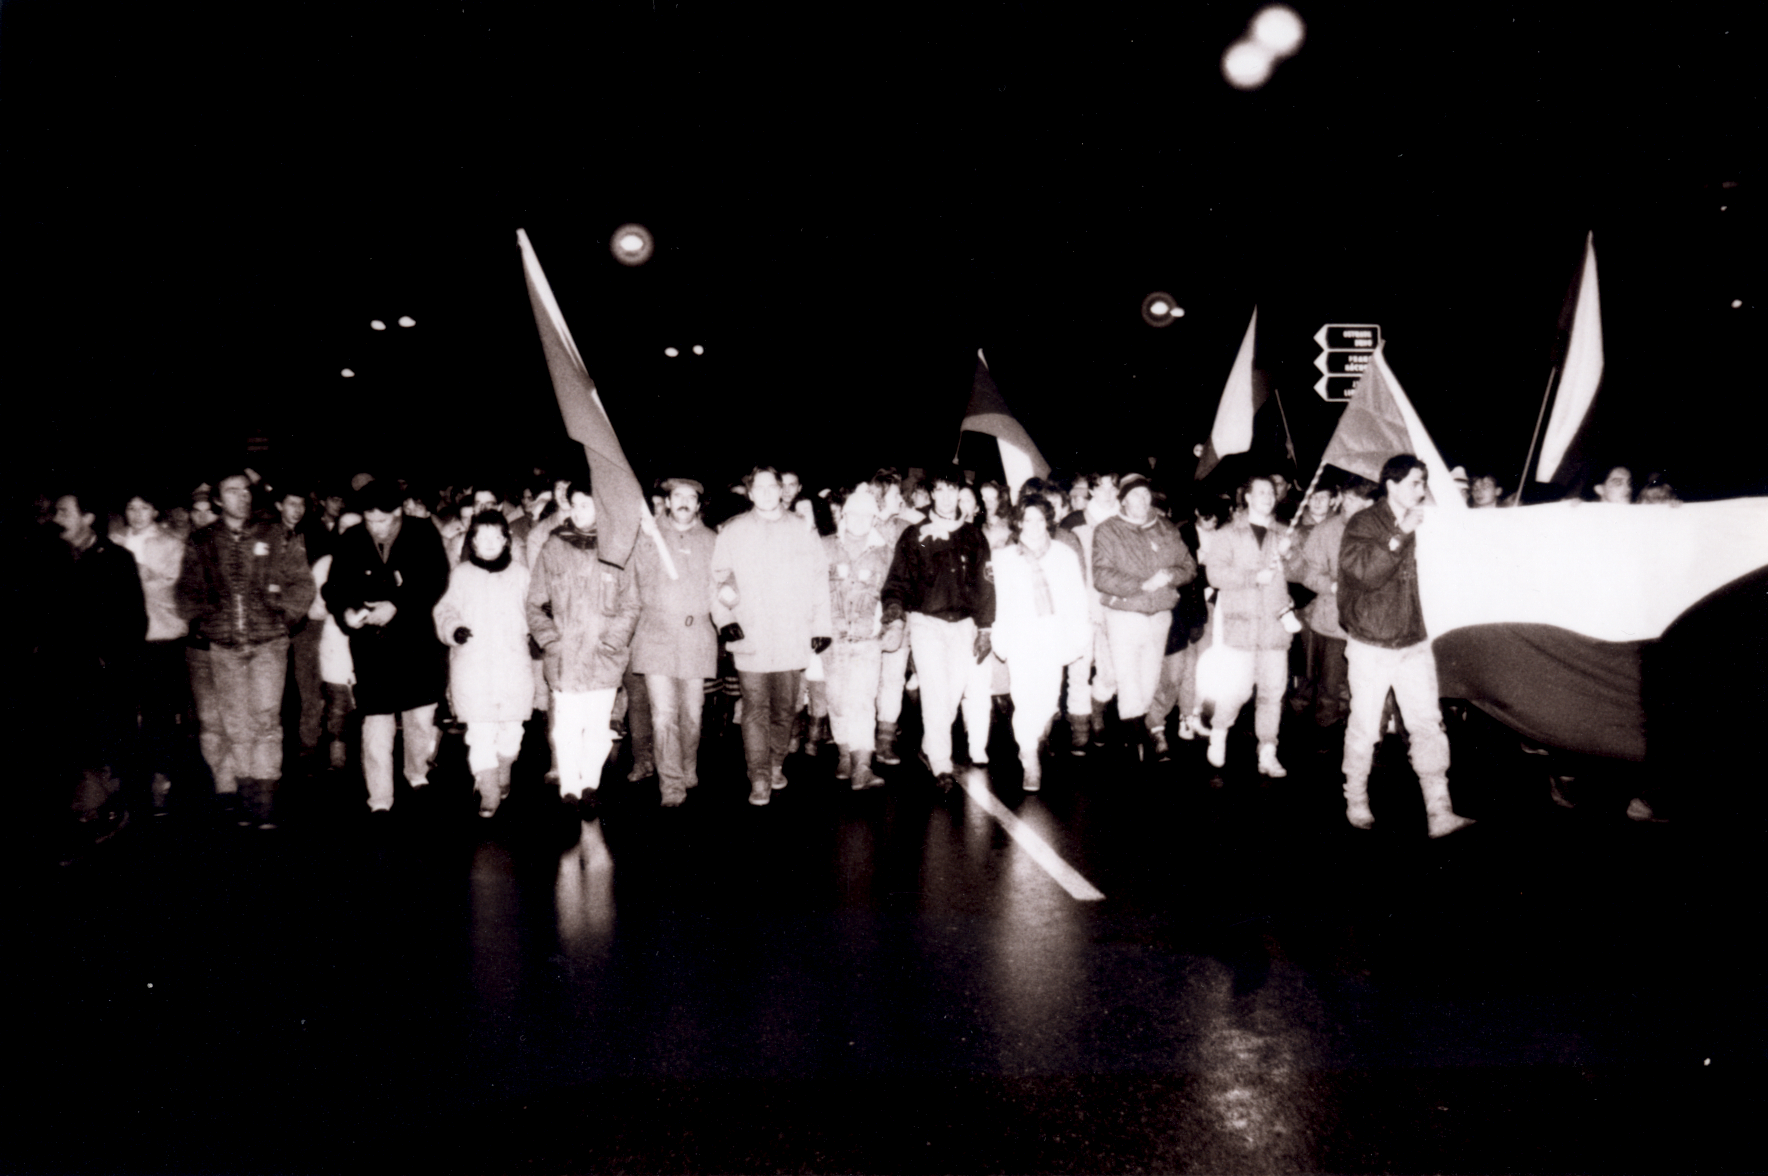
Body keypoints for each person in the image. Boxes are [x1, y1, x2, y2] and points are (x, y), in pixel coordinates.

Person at [1338, 454, 1474, 837]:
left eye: (1424, 482)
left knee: (1427, 724)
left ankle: (1439, 808)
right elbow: (1365, 574)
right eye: (1416, 482)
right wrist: (1400, 534)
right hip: (1372, 644)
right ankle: (1356, 798)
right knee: (1366, 727)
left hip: (1414, 641)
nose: (1422, 489)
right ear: (1392, 484)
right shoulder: (1364, 523)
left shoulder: (1428, 522)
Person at [176, 472, 315, 827]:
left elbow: (302, 583)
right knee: (235, 723)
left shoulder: (276, 534)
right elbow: (187, 591)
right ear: (218, 500)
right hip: (224, 645)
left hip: (268, 642)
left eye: (245, 490)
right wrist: (206, 620)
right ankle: (245, 792)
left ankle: (264, 799)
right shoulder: (203, 540)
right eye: (232, 491)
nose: (242, 497)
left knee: (266, 719)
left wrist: (283, 618)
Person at [324, 478, 450, 817]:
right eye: (369, 520)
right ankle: (379, 797)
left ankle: (417, 771)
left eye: (382, 520)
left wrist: (397, 606)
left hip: (415, 645)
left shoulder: (422, 533)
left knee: (419, 718)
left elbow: (436, 579)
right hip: (372, 649)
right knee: (376, 724)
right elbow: (334, 587)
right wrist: (346, 612)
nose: (375, 527)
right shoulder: (352, 538)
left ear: (398, 513)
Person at [711, 467, 833, 806]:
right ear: (750, 493)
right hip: (751, 636)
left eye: (772, 487)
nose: (766, 493)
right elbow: (717, 579)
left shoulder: (802, 529)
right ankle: (759, 775)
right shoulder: (733, 531)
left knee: (785, 709)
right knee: (754, 709)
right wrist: (724, 618)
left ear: (781, 490)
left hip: (793, 636)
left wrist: (821, 626)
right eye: (759, 488)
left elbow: (819, 580)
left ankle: (776, 762)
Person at [527, 478, 641, 819]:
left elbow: (631, 604)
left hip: (603, 656)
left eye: (586, 505)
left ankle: (590, 783)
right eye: (575, 505)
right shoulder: (554, 546)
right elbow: (534, 603)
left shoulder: (618, 549)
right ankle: (569, 788)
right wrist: (550, 640)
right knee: (566, 727)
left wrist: (613, 641)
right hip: (565, 657)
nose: (578, 512)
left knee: (597, 726)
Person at [880, 467, 995, 791]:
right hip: (926, 623)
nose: (946, 498)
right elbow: (897, 581)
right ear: (931, 493)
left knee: (952, 694)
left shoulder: (974, 536)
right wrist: (894, 612)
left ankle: (929, 746)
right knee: (934, 691)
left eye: (951, 490)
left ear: (959, 492)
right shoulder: (914, 535)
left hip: (963, 625)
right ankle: (942, 764)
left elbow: (986, 586)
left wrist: (985, 629)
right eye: (939, 490)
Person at [45, 490, 147, 835]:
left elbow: (133, 619)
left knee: (113, 743)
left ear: (87, 518)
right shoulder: (51, 557)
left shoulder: (115, 559)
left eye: (64, 511)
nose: (56, 518)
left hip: (106, 671)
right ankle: (86, 810)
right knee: (75, 745)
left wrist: (114, 662)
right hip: (64, 669)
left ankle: (123, 811)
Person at [1194, 475, 1296, 775]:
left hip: (1274, 627)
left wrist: (1291, 554)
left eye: (1271, 492)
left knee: (1272, 693)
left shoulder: (1284, 534)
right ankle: (1219, 731)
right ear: (1247, 497)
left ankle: (1267, 751)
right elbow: (1214, 575)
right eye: (1261, 492)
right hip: (1240, 627)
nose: (1268, 497)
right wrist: (1252, 578)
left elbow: (1301, 572)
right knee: (1237, 691)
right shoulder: (1228, 534)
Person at [988, 494, 1091, 791]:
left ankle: (1032, 739)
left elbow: (1077, 599)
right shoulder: (1004, 558)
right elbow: (999, 603)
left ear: (1048, 521)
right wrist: (1000, 637)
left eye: (1039, 519)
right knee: (1024, 699)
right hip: (1021, 636)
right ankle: (1030, 760)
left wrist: (1079, 635)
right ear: (1019, 523)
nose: (1034, 526)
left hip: (1053, 636)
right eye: (1027, 520)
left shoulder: (1064, 555)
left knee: (1047, 701)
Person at [1091, 472, 1197, 759]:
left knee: (1149, 684)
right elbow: (1101, 576)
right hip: (1125, 614)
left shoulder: (1165, 528)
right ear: (1123, 500)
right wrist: (1141, 585)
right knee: (1128, 682)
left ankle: (1136, 734)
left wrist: (1169, 575)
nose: (1143, 499)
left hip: (1160, 615)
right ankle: (1133, 750)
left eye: (1146, 494)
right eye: (1136, 495)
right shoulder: (1108, 530)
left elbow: (1188, 566)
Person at [434, 511, 532, 817]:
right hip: (473, 667)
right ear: (472, 542)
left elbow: (535, 610)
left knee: (512, 732)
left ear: (506, 540)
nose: (489, 543)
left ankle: (503, 769)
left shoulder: (521, 575)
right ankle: (489, 790)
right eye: (482, 537)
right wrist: (454, 629)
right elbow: (445, 610)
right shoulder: (461, 575)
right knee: (480, 733)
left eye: (496, 537)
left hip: (512, 666)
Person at [630, 477, 719, 807]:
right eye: (677, 496)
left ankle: (687, 766)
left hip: (696, 637)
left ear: (698, 504)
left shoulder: (712, 540)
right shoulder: (648, 535)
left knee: (692, 715)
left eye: (690, 497)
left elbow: (724, 582)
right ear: (667, 502)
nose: (683, 502)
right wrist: (646, 538)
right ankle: (671, 784)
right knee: (664, 715)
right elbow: (635, 578)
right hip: (657, 636)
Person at [116, 489, 190, 813]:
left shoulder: (171, 543)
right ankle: (125, 780)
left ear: (155, 511)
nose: (136, 514)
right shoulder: (115, 541)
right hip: (123, 639)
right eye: (131, 508)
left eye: (143, 508)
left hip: (160, 635)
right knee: (124, 711)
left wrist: (142, 576)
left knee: (159, 712)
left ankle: (161, 777)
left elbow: (177, 587)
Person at [822, 480, 895, 790]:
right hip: (832, 639)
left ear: (875, 518)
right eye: (854, 514)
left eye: (867, 515)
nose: (860, 520)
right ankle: (844, 755)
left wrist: (892, 625)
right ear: (844, 515)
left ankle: (862, 766)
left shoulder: (884, 553)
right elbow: (811, 591)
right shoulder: (825, 546)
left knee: (863, 700)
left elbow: (894, 593)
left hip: (867, 640)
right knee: (837, 700)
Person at [1287, 476, 1374, 731]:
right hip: (1334, 620)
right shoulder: (1326, 530)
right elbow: (1307, 572)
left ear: (1368, 503)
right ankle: (1324, 731)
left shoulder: (1380, 528)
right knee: (1328, 681)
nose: (1346, 503)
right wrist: (1331, 586)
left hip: (1371, 622)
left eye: (1352, 499)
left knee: (1363, 684)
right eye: (1345, 497)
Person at [1069, 472, 1121, 749]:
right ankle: (1080, 726)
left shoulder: (1125, 521)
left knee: (1111, 671)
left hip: (1114, 608)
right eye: (1101, 488)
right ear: (1091, 490)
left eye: (1113, 487)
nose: (1108, 493)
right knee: (1078, 669)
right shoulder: (1075, 523)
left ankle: (1097, 709)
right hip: (1081, 607)